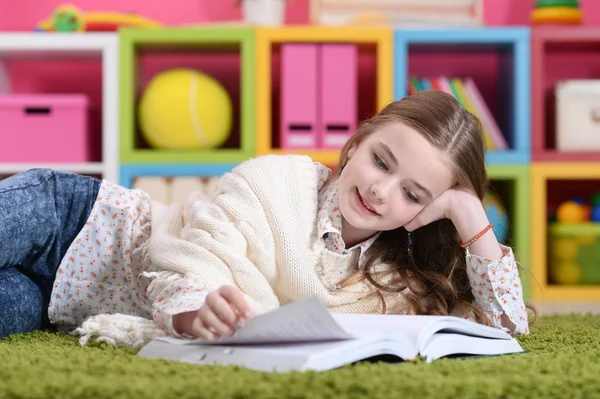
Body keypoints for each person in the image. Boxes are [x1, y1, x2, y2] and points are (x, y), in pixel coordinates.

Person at [0, 90, 530, 346]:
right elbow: (196, 256)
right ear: (358, 142)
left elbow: (506, 330)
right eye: (380, 161)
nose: (378, 188)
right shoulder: (279, 181)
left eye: (412, 193)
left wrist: (466, 211)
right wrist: (191, 312)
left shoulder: (395, 286)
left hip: (58, 300)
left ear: (427, 211)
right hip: (73, 218)